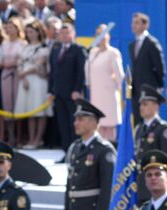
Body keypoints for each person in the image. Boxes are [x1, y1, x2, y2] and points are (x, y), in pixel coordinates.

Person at [131, 87, 167, 204]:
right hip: (140, 189)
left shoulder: (163, 130)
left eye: (145, 104)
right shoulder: (139, 129)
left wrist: (166, 192)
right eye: (141, 104)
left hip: (156, 190)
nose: (141, 107)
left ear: (156, 106)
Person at [48, 21, 87, 150]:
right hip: (58, 93)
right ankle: (66, 151)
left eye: (67, 33)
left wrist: (77, 89)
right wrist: (51, 90)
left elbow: (81, 72)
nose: (64, 36)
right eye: (62, 33)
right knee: (63, 124)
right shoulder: (55, 50)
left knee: (73, 124)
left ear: (73, 34)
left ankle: (75, 150)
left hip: (72, 94)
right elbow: (52, 72)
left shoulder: (78, 50)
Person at [14, 20, 50, 148]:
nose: (30, 34)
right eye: (28, 32)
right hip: (25, 82)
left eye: (32, 32)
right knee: (29, 111)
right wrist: (23, 78)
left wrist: (24, 73)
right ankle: (30, 139)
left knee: (39, 111)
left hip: (38, 81)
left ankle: (38, 139)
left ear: (38, 32)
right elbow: (19, 64)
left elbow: (38, 65)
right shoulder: (25, 47)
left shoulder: (44, 48)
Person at [86, 26, 124, 143]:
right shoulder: (92, 53)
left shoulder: (113, 53)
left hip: (108, 93)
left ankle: (111, 147)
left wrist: (121, 92)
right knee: (98, 122)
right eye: (98, 35)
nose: (100, 38)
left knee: (109, 123)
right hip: (96, 93)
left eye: (103, 34)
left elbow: (119, 75)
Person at [0, 18, 25, 144]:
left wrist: (13, 63)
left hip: (18, 75)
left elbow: (23, 60)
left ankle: (19, 137)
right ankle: (10, 136)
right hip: (6, 76)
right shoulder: (4, 43)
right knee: (7, 106)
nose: (10, 30)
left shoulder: (22, 44)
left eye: (12, 27)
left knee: (17, 105)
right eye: (8, 27)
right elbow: (0, 61)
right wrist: (5, 63)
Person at [127, 13, 164, 99]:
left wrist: (159, 86)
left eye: (137, 23)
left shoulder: (152, 43)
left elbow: (159, 67)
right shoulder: (132, 45)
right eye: (133, 23)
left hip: (149, 88)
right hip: (135, 90)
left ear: (145, 25)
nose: (133, 25)